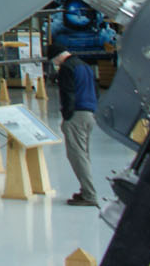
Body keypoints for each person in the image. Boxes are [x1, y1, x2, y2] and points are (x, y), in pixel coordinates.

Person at [49, 40, 99, 206]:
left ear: (56, 58)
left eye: (53, 61)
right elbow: (95, 89)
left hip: (76, 115)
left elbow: (68, 93)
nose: (54, 64)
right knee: (84, 154)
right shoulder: (85, 66)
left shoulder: (66, 68)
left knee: (77, 156)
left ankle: (90, 195)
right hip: (90, 113)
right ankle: (86, 191)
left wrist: (67, 115)